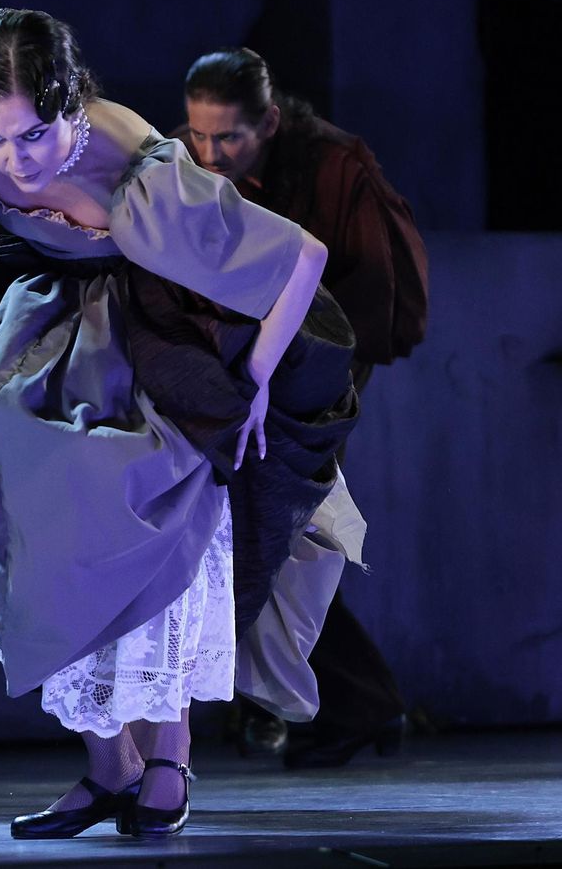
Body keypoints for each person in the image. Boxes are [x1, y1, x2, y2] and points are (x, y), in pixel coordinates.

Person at [0, 9, 361, 839]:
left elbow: (302, 260)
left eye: (34, 136)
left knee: (150, 523)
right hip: (26, 329)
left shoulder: (139, 168)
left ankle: (168, 762)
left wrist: (252, 383)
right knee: (34, 538)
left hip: (144, 336)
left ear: (71, 102)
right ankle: (110, 769)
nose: (16, 159)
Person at [180, 47, 428, 767]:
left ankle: (350, 703)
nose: (211, 152)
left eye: (228, 136)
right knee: (265, 533)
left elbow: (369, 295)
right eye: (197, 134)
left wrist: (297, 376)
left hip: (320, 374)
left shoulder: (332, 166)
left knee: (288, 530)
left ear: (271, 123)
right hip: (240, 371)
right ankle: (337, 703)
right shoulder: (196, 171)